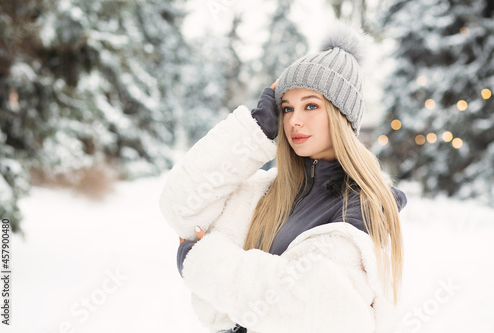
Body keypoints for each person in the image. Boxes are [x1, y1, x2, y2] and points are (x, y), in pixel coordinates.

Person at [159, 22, 407, 333]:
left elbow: (305, 304)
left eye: (311, 106)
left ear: (342, 117)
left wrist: (201, 259)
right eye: (287, 108)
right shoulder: (269, 189)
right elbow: (182, 205)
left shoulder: (363, 206)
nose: (295, 121)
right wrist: (257, 128)